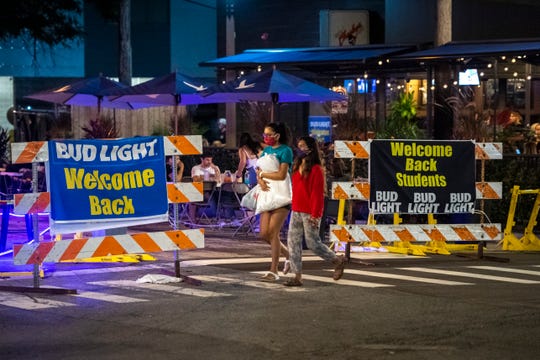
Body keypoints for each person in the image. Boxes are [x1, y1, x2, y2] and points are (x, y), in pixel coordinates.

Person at [283, 136, 346, 287]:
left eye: (303, 146)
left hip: (309, 211)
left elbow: (317, 194)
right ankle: (297, 277)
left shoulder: (316, 169)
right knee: (293, 243)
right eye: (299, 145)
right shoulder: (297, 164)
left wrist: (316, 215)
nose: (300, 148)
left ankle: (337, 261)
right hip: (296, 209)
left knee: (313, 243)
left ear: (311, 148)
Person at [256, 122, 292, 282]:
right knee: (264, 234)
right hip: (266, 195)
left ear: (277, 135)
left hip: (281, 195)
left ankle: (273, 270)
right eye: (264, 134)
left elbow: (281, 175)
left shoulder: (286, 150)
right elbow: (258, 171)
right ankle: (289, 255)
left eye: (269, 134)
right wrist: (260, 180)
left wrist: (263, 175)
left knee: (273, 233)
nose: (266, 137)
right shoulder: (266, 150)